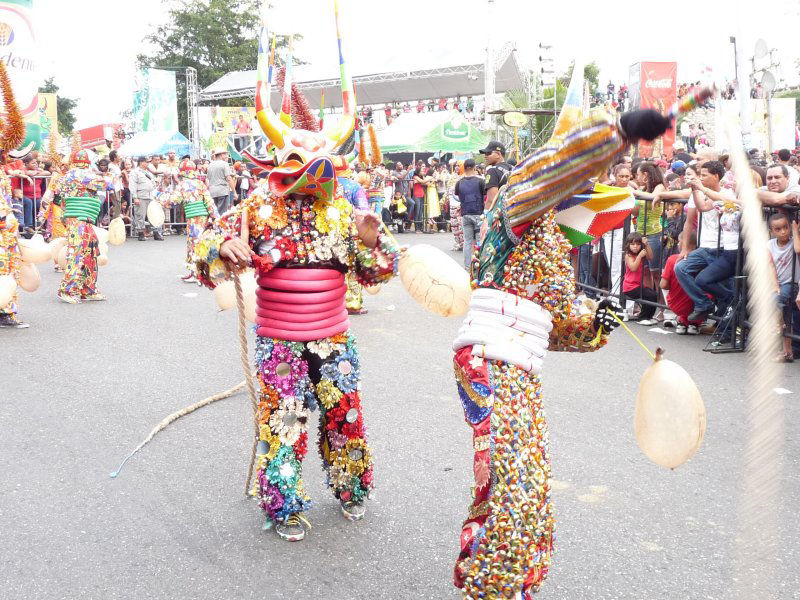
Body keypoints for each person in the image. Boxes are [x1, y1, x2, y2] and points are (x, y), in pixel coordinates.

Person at [450, 63, 671, 597]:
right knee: (516, 485)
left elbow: (550, 326)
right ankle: (493, 587)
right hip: (488, 357)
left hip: (521, 363)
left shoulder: (553, 237)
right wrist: (617, 130)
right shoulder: (519, 205)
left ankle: (505, 581)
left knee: (527, 485)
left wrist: (594, 325)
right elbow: (548, 169)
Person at [193, 18, 399, 542]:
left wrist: (375, 244)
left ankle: (352, 490)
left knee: (344, 416)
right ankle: (283, 506)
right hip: (279, 343)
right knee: (283, 423)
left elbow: (377, 273)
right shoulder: (257, 209)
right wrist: (221, 246)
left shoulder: (346, 212)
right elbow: (203, 255)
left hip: (332, 338)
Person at [51, 149, 115, 303]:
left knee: (89, 253)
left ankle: (87, 288)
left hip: (80, 219)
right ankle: (67, 289)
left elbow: (57, 198)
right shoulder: (83, 175)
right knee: (77, 253)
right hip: (78, 220)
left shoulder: (66, 177)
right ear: (87, 162)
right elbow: (108, 184)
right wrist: (109, 175)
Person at [676, 160, 734, 323]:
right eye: (699, 175)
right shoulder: (699, 193)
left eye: (704, 175)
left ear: (716, 176)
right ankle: (704, 304)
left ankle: (726, 325)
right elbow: (689, 221)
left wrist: (698, 188)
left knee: (724, 285)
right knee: (681, 268)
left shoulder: (727, 193)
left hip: (722, 248)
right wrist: (685, 248)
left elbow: (705, 207)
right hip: (704, 247)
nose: (700, 178)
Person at [157, 159, 219, 283]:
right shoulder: (200, 184)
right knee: (204, 243)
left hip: (193, 219)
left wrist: (159, 197)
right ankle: (202, 272)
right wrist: (214, 217)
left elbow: (173, 201)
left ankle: (196, 273)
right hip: (204, 217)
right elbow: (209, 202)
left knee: (194, 244)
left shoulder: (183, 185)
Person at [767, 214, 800, 361]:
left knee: (776, 300)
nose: (783, 232)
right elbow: (770, 266)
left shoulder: (794, 242)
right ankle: (788, 353)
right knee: (786, 316)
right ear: (772, 231)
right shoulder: (769, 245)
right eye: (778, 229)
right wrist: (775, 285)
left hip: (792, 283)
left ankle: (777, 325)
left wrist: (795, 230)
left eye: (786, 228)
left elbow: (798, 250)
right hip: (778, 284)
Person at [660, 234, 703, 335]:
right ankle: (694, 323)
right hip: (697, 304)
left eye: (680, 242)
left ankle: (683, 322)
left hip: (676, 305)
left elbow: (663, 285)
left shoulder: (672, 259)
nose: (678, 244)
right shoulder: (702, 260)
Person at [454, 158, 485, 268]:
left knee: (467, 241)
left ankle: (467, 267)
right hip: (478, 214)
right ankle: (479, 266)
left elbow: (457, 195)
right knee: (478, 241)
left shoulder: (459, 183)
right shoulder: (481, 181)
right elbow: (484, 196)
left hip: (465, 214)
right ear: (474, 168)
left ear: (464, 168)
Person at [623, 232, 658, 323]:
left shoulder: (640, 254)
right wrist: (639, 256)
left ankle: (649, 316)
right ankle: (643, 318)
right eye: (632, 244)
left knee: (654, 295)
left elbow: (650, 257)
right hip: (630, 287)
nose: (635, 246)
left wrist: (646, 244)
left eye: (638, 244)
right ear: (628, 245)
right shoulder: (628, 255)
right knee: (649, 296)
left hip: (638, 285)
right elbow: (633, 268)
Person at [129, 156, 163, 242]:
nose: (148, 164)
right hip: (141, 196)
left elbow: (152, 184)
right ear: (141, 162)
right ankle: (140, 233)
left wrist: (156, 183)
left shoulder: (148, 173)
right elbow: (132, 185)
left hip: (150, 196)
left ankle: (156, 232)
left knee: (153, 214)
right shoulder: (135, 172)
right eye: (146, 162)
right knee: (140, 215)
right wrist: (135, 197)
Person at [479, 140, 511, 212]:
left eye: (488, 153)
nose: (485, 156)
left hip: (500, 216)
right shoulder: (512, 168)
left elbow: (491, 200)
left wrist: (486, 217)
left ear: (498, 154)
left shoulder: (492, 171)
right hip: (513, 212)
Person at [207, 147, 237, 214]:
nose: (227, 156)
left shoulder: (210, 165)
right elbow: (229, 178)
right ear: (221, 155)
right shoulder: (224, 164)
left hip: (212, 192)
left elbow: (208, 179)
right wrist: (234, 192)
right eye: (225, 154)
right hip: (222, 191)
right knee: (222, 214)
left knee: (215, 213)